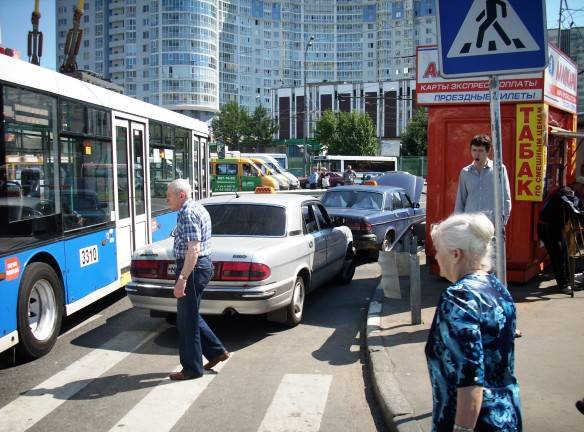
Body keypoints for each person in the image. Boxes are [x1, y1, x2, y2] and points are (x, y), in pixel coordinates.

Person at [426, 213, 522, 432]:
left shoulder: (458, 297)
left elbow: (470, 376)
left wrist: (462, 428)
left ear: (455, 254)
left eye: (437, 251)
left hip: (477, 421)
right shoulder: (497, 288)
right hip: (506, 414)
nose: (436, 257)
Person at [166, 179, 229, 380]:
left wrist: (182, 279)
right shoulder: (197, 208)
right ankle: (216, 351)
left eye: (169, 195)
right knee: (190, 315)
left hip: (192, 269)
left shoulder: (188, 214)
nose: (166, 199)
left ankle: (192, 369)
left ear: (181, 195)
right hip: (199, 267)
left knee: (186, 322)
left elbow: (193, 251)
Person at [537, 177, 584, 293]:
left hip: (556, 227)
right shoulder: (565, 192)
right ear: (578, 185)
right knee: (558, 255)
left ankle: (567, 280)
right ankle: (562, 284)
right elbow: (574, 209)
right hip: (549, 227)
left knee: (564, 253)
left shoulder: (570, 192)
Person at [454, 134, 512, 226]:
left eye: (480, 150)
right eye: (474, 150)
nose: (477, 154)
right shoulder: (465, 172)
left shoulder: (499, 169)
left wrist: (501, 223)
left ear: (488, 151)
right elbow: (460, 201)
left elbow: (506, 198)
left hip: (491, 225)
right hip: (470, 225)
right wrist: (458, 223)